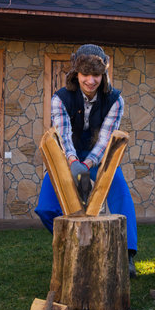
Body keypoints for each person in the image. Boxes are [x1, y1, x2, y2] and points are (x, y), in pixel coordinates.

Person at [35, 44, 138, 277]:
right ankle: (75, 244)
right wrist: (73, 163)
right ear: (76, 74)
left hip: (98, 157)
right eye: (85, 74)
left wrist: (88, 164)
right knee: (45, 207)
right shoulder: (60, 99)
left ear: (104, 75)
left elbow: (104, 139)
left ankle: (128, 255)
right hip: (67, 157)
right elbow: (62, 134)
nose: (91, 80)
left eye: (96, 75)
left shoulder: (115, 100)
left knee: (121, 193)